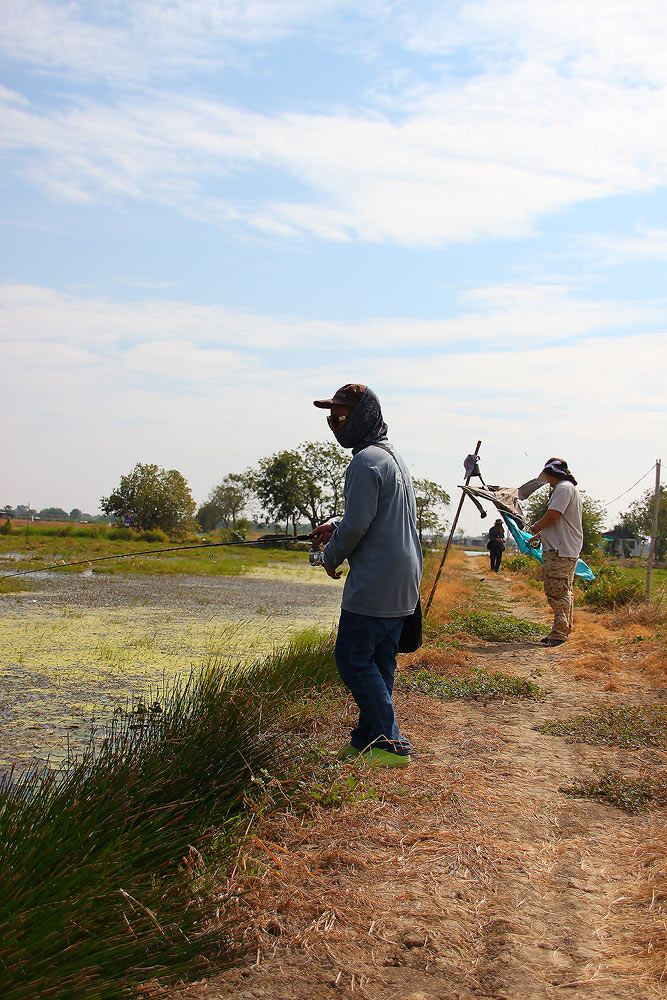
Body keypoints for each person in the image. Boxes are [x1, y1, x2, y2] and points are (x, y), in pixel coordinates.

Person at [309, 384, 422, 768]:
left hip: (376, 582)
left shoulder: (364, 461)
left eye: (343, 416)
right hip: (404, 583)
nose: (336, 423)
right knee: (380, 661)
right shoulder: (392, 457)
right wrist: (335, 524)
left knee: (352, 657)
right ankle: (366, 740)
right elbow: (372, 515)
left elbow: (357, 527)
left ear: (365, 416)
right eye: (332, 417)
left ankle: (391, 742)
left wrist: (330, 555)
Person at [527, 458, 583, 647]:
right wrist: (541, 535)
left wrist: (536, 527)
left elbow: (553, 516)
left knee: (557, 591)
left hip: (561, 549)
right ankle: (563, 629)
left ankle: (559, 634)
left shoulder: (563, 489)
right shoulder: (567, 489)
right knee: (563, 590)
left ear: (553, 473)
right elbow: (560, 521)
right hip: (561, 547)